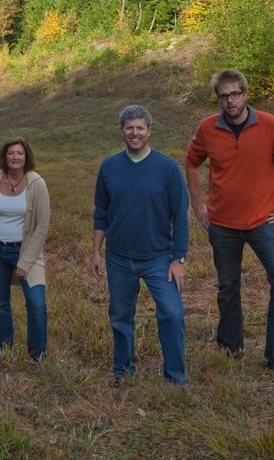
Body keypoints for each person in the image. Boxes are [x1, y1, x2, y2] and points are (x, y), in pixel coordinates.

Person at [186, 69, 274, 372]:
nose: (230, 100)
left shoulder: (269, 124)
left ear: (245, 94)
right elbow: (191, 161)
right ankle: (230, 349)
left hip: (263, 222)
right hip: (222, 225)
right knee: (228, 288)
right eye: (224, 96)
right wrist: (199, 207)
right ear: (218, 99)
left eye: (235, 93)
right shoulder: (207, 129)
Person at [91, 105, 189, 385]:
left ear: (149, 131)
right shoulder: (109, 166)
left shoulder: (167, 168)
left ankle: (174, 377)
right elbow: (101, 212)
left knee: (172, 312)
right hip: (119, 257)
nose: (135, 133)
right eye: (129, 128)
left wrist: (179, 259)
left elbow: (179, 215)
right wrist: (97, 252)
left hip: (159, 257)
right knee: (121, 315)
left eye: (140, 128)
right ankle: (123, 370)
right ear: (122, 131)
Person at [0, 138, 50, 360]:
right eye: (11, 153)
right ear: (4, 157)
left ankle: (37, 354)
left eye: (19, 153)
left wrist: (25, 262)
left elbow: (42, 225)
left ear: (27, 157)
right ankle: (3, 347)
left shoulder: (37, 183)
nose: (15, 157)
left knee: (36, 304)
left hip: (26, 252)